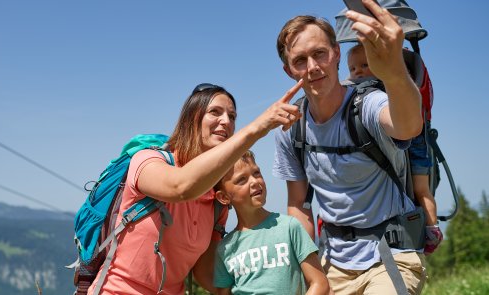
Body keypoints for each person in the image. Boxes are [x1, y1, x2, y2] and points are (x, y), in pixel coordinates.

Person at [87, 80, 303, 295]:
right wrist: (258, 127)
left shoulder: (216, 201)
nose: (226, 121)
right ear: (192, 118)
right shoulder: (148, 161)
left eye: (232, 116)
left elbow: (206, 272)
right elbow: (180, 187)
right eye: (215, 112)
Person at [272, 0, 427, 294]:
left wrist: (392, 69)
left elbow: (408, 126)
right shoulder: (291, 128)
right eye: (300, 60)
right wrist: (310, 271)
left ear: (336, 53)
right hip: (332, 262)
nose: (313, 67)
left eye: (320, 54)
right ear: (288, 70)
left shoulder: (365, 105)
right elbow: (299, 207)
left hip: (391, 255)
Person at [347, 43, 443, 255]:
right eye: (353, 68)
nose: (358, 72)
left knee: (420, 189)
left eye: (365, 65)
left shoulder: (390, 86)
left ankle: (432, 228)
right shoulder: (359, 93)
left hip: (415, 143)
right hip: (390, 141)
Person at [213, 151, 329, 295]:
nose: (255, 181)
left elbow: (320, 283)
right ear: (223, 197)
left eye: (256, 173)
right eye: (242, 180)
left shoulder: (289, 227)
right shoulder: (225, 248)